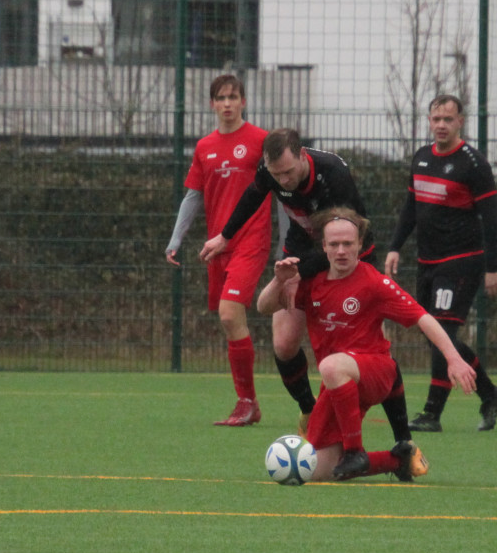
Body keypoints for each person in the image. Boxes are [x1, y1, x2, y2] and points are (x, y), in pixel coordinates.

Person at [200, 129, 412, 444]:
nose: (283, 180)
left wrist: (297, 272)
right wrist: (226, 236)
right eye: (276, 175)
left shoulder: (334, 175)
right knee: (284, 344)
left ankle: (403, 440)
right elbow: (253, 195)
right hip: (301, 256)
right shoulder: (271, 170)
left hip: (349, 262)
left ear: (302, 155)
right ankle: (309, 409)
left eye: (288, 172)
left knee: (372, 350)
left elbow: (341, 244)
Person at [256, 208, 476, 481]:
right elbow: (263, 307)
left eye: (348, 244)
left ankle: (355, 451)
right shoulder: (311, 282)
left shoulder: (374, 282)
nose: (341, 251)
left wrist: (453, 358)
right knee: (319, 471)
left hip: (375, 372)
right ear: (323, 247)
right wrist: (279, 280)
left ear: (360, 244)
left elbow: (424, 318)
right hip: (337, 382)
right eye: (334, 244)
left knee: (332, 365)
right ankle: (397, 461)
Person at [385, 95, 497, 432]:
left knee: (442, 330)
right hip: (427, 262)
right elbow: (411, 208)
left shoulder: (474, 164)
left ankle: (431, 413)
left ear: (460, 122)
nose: (441, 125)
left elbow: (492, 219)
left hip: (461, 262)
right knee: (435, 334)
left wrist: (493, 267)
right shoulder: (422, 158)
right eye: (436, 118)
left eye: (448, 119)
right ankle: (490, 393)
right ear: (429, 120)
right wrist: (395, 247)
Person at [166, 74, 272, 426]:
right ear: (212, 104)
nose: (227, 103)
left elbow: (282, 192)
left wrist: (289, 241)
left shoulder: (260, 141)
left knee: (230, 314)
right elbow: (194, 195)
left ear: (244, 101)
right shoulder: (204, 147)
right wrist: (176, 239)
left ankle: (246, 402)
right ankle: (250, 404)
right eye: (221, 97)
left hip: (251, 240)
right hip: (218, 246)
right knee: (230, 322)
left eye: (233, 97)